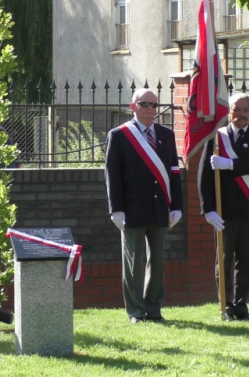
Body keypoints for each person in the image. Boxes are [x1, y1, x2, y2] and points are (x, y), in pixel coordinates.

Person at [105, 88, 183, 324]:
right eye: (145, 104)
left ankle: (154, 309)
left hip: (160, 207)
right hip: (132, 208)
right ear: (133, 106)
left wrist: (176, 205)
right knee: (133, 263)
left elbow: (174, 172)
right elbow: (112, 174)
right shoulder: (119, 135)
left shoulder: (166, 134)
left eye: (154, 105)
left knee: (157, 262)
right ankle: (136, 311)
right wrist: (116, 209)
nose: (150, 109)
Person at [201, 93, 249, 321]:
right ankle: (226, 306)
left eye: (245, 110)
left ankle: (242, 307)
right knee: (223, 260)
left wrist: (231, 164)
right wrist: (208, 209)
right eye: (236, 109)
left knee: (246, 261)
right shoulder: (216, 138)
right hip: (224, 212)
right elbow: (204, 176)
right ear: (229, 111)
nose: (241, 114)